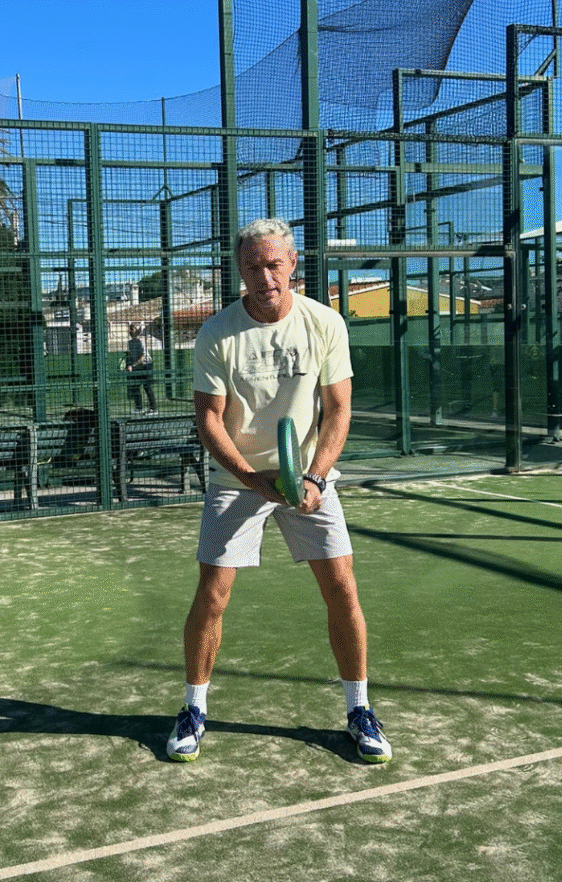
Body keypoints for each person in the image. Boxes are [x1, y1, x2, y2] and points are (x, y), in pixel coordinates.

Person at [166, 218, 392, 765]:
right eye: (252, 266)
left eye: (273, 264)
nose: (264, 277)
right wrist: (251, 478)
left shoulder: (325, 324)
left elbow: (338, 410)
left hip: (313, 478)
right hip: (237, 479)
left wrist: (312, 478)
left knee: (341, 587)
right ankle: (194, 709)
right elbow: (210, 421)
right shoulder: (217, 333)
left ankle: (359, 709)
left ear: (293, 264)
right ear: (239, 270)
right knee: (213, 593)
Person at [125, 323, 158, 415]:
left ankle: (153, 409)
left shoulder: (141, 342)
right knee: (135, 386)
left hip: (147, 365)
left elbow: (143, 357)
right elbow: (131, 356)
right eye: (130, 329)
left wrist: (133, 365)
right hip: (138, 366)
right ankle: (139, 408)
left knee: (147, 387)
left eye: (133, 329)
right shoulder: (130, 343)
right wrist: (128, 365)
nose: (131, 331)